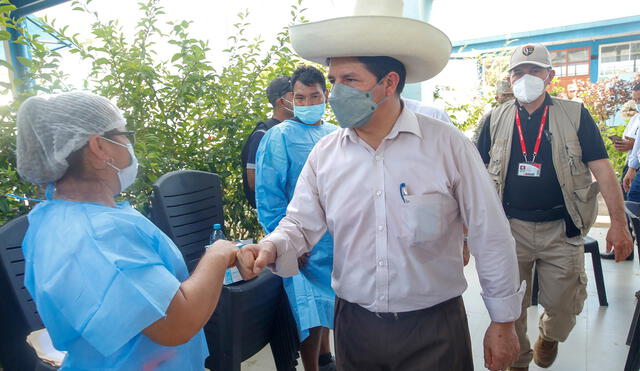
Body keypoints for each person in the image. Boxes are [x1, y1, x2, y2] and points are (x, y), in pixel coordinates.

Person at [236, 1, 525, 370]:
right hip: (355, 328)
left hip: (434, 328)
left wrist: (503, 322)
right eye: (334, 81)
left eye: (350, 80)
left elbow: (489, 232)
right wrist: (270, 247)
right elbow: (299, 224)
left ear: (389, 83)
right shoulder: (327, 154)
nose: (336, 93)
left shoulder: (446, 145)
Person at [16, 92, 245, 370]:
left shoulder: (56, 219)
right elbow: (176, 322)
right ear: (100, 147)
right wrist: (219, 253)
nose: (128, 144)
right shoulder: (100, 234)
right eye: (123, 135)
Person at [476, 43, 633, 371]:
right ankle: (519, 361)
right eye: (519, 71)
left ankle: (548, 337)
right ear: (510, 77)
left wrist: (619, 224)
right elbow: (474, 176)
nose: (526, 77)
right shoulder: (494, 119)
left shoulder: (575, 114)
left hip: (562, 227)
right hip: (509, 229)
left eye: (534, 70)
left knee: (564, 305)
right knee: (510, 307)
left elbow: (602, 169)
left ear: (550, 75)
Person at [255, 65, 337, 371]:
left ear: (326, 96)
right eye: (299, 98)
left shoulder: (336, 134)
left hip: (334, 239)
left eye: (313, 96)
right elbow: (269, 195)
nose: (306, 103)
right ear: (290, 99)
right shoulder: (279, 137)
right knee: (308, 310)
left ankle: (327, 359)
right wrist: (288, 243)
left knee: (331, 303)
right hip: (302, 241)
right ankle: (312, 367)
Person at [241, 76, 294, 208]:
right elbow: (253, 182)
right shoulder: (263, 133)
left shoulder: (296, 130)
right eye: (295, 95)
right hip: (279, 212)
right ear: (281, 101)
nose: (302, 100)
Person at [604, 83, 640, 260]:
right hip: (631, 165)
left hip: (636, 167)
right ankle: (626, 249)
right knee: (629, 210)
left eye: (638, 99)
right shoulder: (635, 119)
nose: (636, 102)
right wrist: (623, 145)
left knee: (634, 210)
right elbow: (631, 142)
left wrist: (633, 164)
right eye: (635, 99)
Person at [472, 79, 515, 145]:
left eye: (512, 95)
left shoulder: (519, 114)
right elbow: (476, 140)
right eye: (505, 95)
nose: (509, 98)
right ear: (497, 98)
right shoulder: (490, 116)